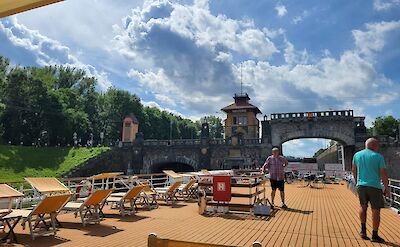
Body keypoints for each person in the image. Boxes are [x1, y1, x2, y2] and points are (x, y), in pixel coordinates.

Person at [352, 138, 390, 243]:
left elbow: (354, 170)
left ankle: (363, 231)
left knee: (362, 207)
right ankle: (374, 235)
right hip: (375, 187)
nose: (378, 148)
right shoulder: (378, 157)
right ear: (374, 146)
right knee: (376, 211)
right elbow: (383, 173)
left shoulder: (357, 155)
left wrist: (357, 182)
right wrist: (387, 188)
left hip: (361, 186)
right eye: (377, 146)